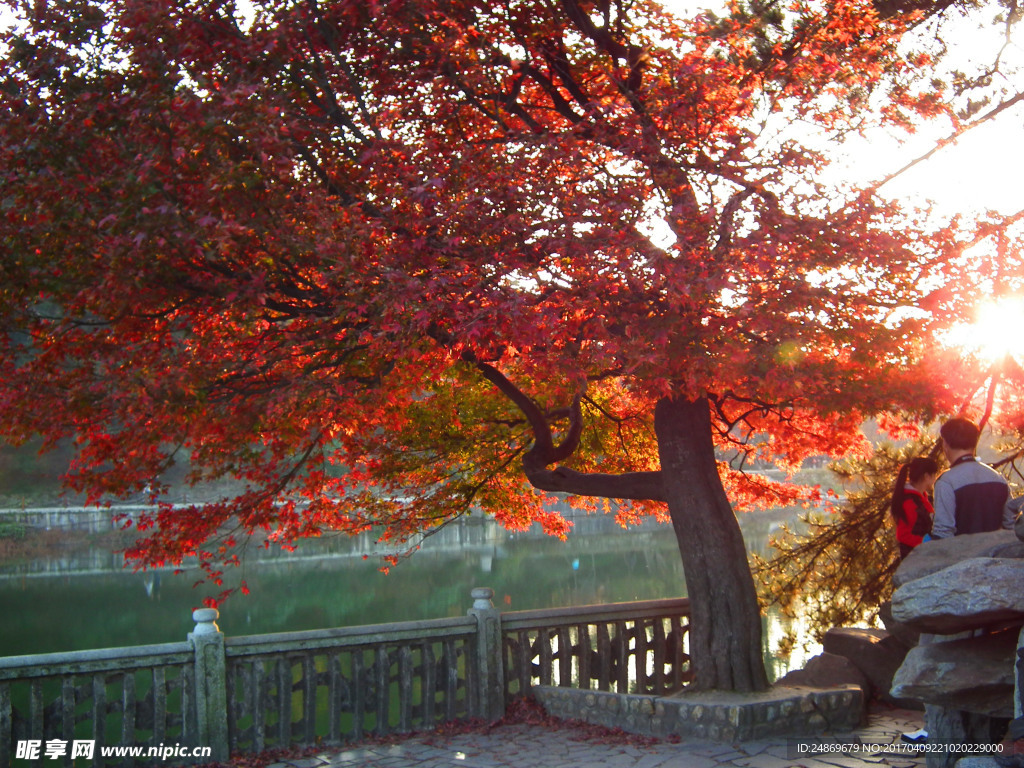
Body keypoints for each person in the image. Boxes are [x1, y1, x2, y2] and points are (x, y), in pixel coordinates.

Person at [931, 417, 1017, 539]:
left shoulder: (946, 481)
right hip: (993, 554)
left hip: (962, 556)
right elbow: (1012, 525)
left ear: (945, 444)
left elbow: (943, 532)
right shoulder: (998, 478)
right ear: (974, 443)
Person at [890, 456, 939, 560]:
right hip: (914, 560)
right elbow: (902, 535)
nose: (935, 479)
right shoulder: (910, 502)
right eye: (934, 475)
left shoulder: (923, 498)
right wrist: (925, 541)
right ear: (926, 476)